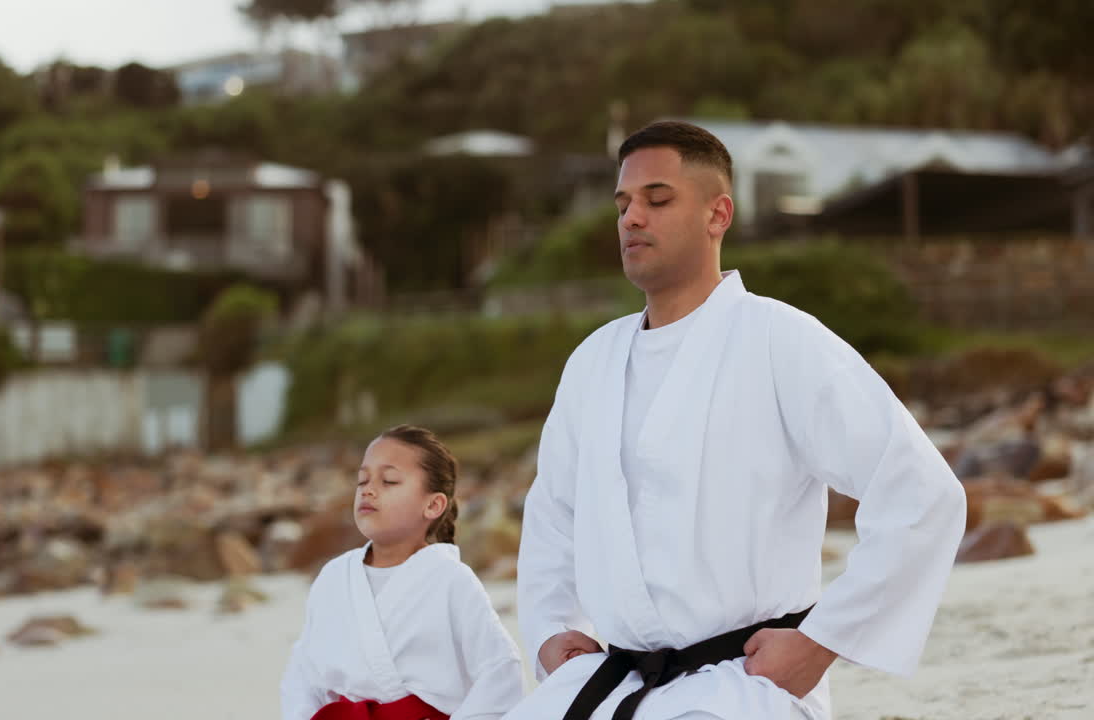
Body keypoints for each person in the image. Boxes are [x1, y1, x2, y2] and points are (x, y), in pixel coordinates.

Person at [507, 121, 967, 720]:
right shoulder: (593, 360)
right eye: (623, 204)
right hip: (610, 684)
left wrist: (820, 642)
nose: (631, 218)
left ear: (717, 214)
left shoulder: (781, 340)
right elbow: (552, 516)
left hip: (742, 688)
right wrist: (550, 631)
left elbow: (922, 495)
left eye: (658, 199)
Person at [281, 424, 525, 720]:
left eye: (390, 481)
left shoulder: (450, 579)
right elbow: (305, 672)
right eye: (362, 480)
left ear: (433, 504)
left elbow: (500, 670)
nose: (368, 490)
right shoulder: (334, 576)